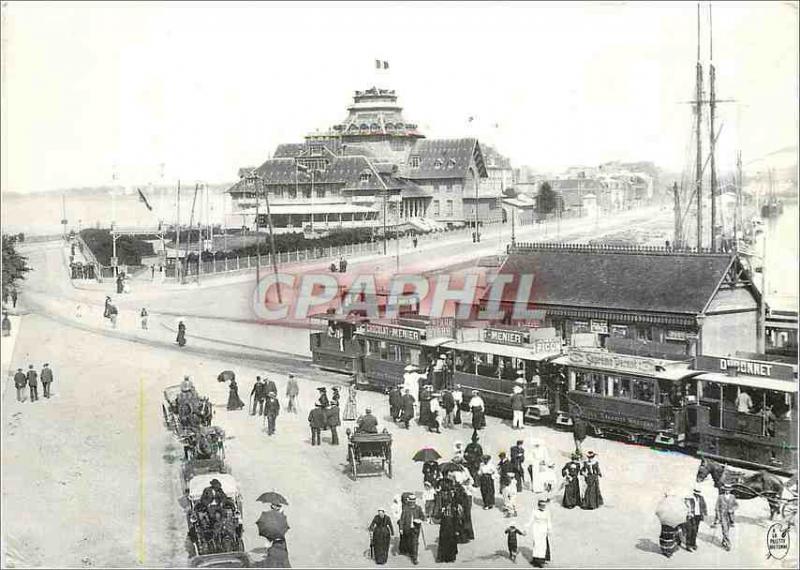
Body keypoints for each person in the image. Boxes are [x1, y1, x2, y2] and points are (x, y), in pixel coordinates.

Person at [398, 494, 424, 565]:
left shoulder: (418, 508)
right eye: (411, 502)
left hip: (415, 529)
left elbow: (423, 517)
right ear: (409, 501)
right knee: (409, 542)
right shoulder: (405, 509)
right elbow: (402, 519)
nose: (412, 503)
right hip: (407, 529)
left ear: (415, 501)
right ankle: (409, 552)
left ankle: (415, 558)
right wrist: (401, 528)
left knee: (415, 543)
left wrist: (419, 520)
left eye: (413, 502)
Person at [527, 499, 552, 568]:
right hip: (536, 529)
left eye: (544, 505)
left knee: (543, 545)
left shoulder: (547, 512)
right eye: (541, 505)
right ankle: (535, 560)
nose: (543, 507)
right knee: (536, 544)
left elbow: (549, 521)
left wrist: (549, 530)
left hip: (543, 529)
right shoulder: (534, 511)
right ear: (538, 505)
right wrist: (526, 527)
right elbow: (531, 520)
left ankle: (541, 561)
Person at [436, 494, 460, 563]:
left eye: (448, 504)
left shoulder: (454, 511)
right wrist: (441, 511)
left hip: (451, 529)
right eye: (446, 504)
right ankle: (442, 558)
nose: (447, 506)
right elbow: (437, 517)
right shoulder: (443, 510)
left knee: (451, 543)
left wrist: (457, 530)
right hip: (444, 529)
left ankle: (451, 558)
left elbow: (456, 520)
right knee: (443, 543)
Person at [715, 483, 738, 551]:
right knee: (725, 529)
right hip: (723, 515)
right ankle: (728, 544)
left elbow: (736, 505)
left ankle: (724, 541)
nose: (727, 491)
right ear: (724, 490)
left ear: (730, 490)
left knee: (727, 529)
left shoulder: (732, 497)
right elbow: (717, 507)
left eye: (728, 490)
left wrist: (732, 509)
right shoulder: (720, 497)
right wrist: (718, 517)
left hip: (730, 516)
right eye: (726, 490)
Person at [684, 486, 707, 552]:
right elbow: (686, 506)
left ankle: (693, 544)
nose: (697, 494)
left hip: (698, 516)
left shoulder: (701, 498)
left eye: (698, 493)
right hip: (691, 516)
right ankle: (688, 545)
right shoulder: (689, 498)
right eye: (696, 493)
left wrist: (704, 513)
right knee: (690, 530)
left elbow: (704, 505)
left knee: (695, 530)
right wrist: (688, 513)